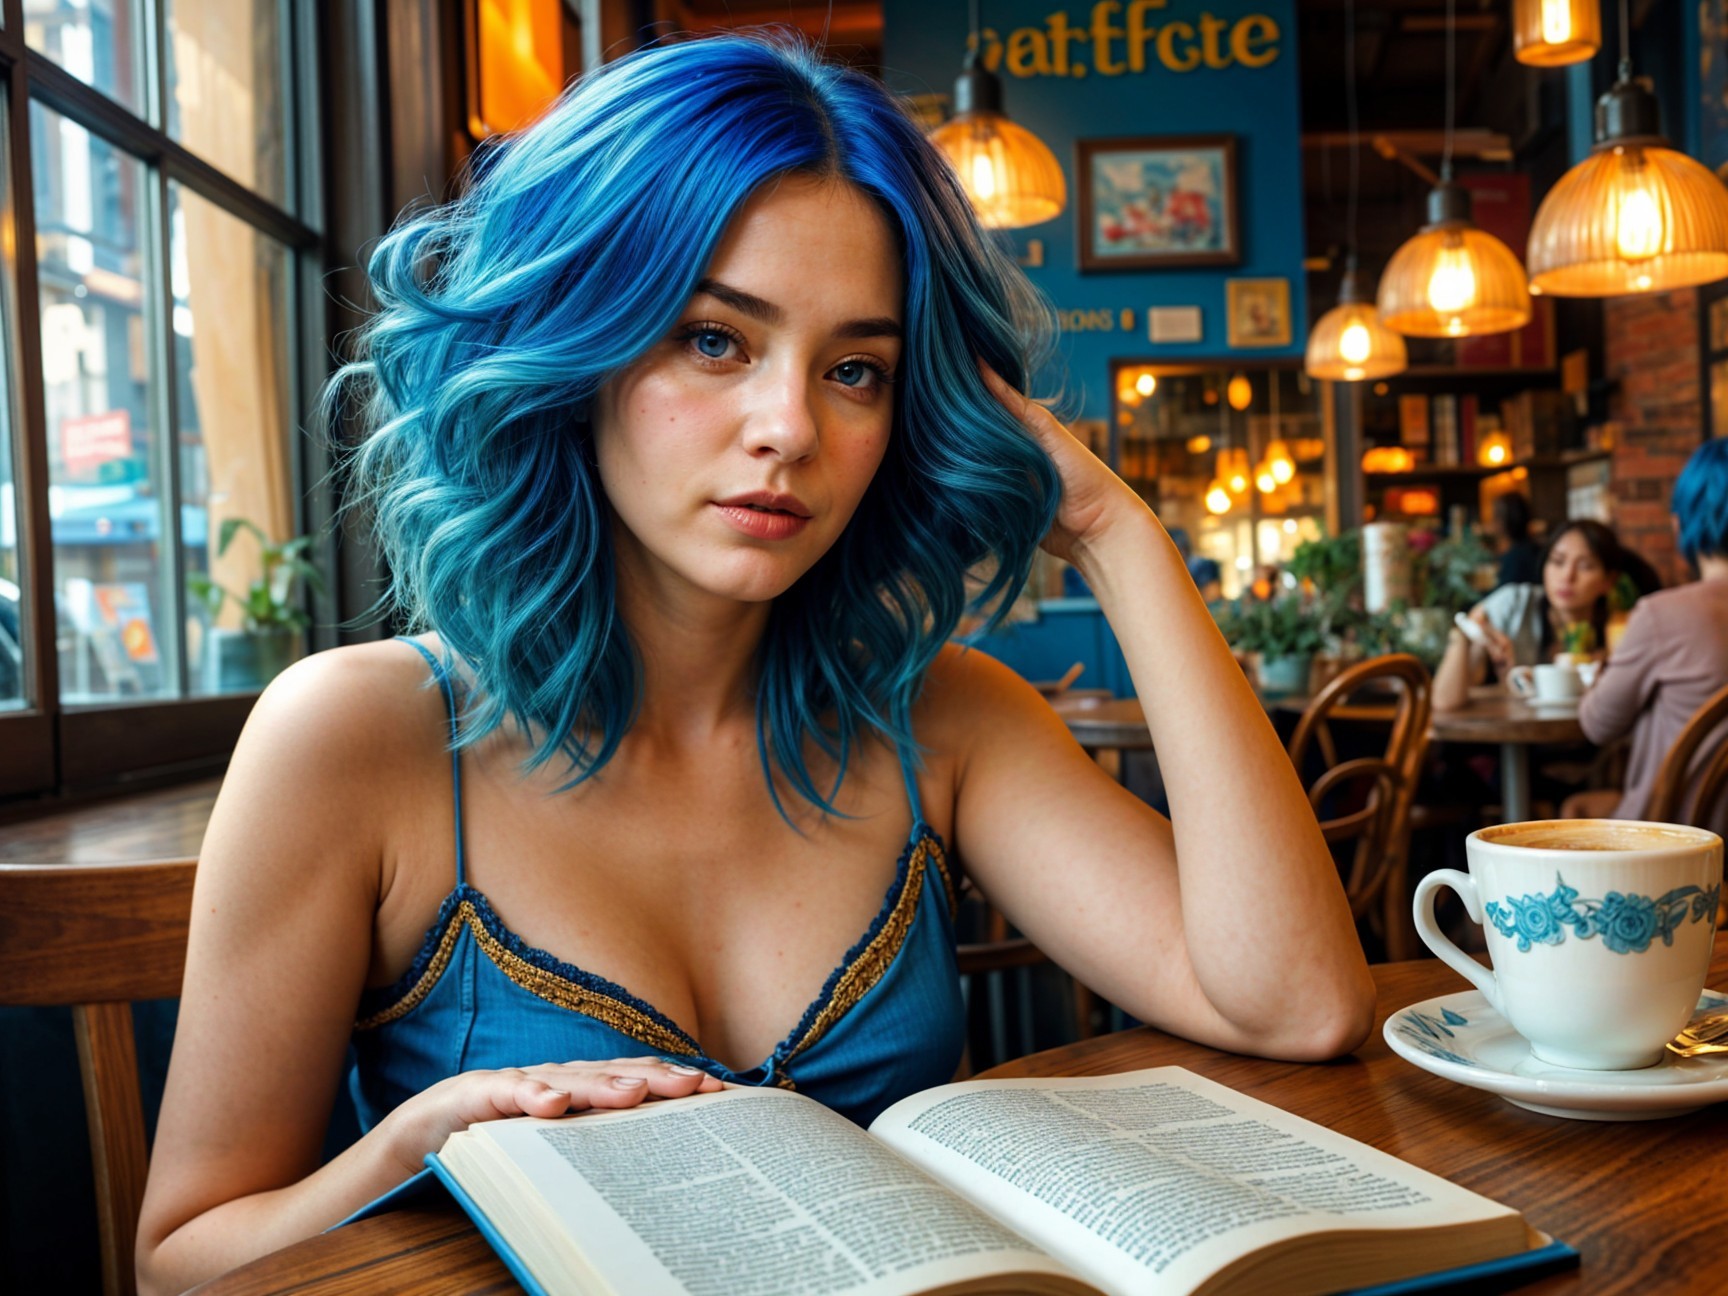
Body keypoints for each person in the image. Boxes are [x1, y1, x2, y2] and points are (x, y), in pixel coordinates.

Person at [135, 35, 1374, 1293]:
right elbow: (179, 1262)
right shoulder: (359, 738)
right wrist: (415, 1144)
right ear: (582, 346)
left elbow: (1297, 1006)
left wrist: (1116, 530)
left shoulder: (940, 720)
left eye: (855, 371)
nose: (791, 428)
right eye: (716, 341)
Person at [1564, 439, 1728, 833]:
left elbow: (1598, 724)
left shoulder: (1662, 616)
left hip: (1680, 841)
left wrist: (1604, 669)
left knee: (1572, 812)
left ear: (1680, 523)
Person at [1433, 519, 1631, 711]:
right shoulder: (1515, 603)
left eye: (1585, 566)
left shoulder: (1621, 630)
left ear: (1609, 580)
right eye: (1557, 561)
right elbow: (1445, 702)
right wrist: (1466, 633)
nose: (1567, 576)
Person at [1490, 490, 1542, 588]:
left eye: (1495, 516)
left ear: (1503, 522)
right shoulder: (1536, 549)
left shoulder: (1514, 559)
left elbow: (1501, 596)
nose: (1492, 522)